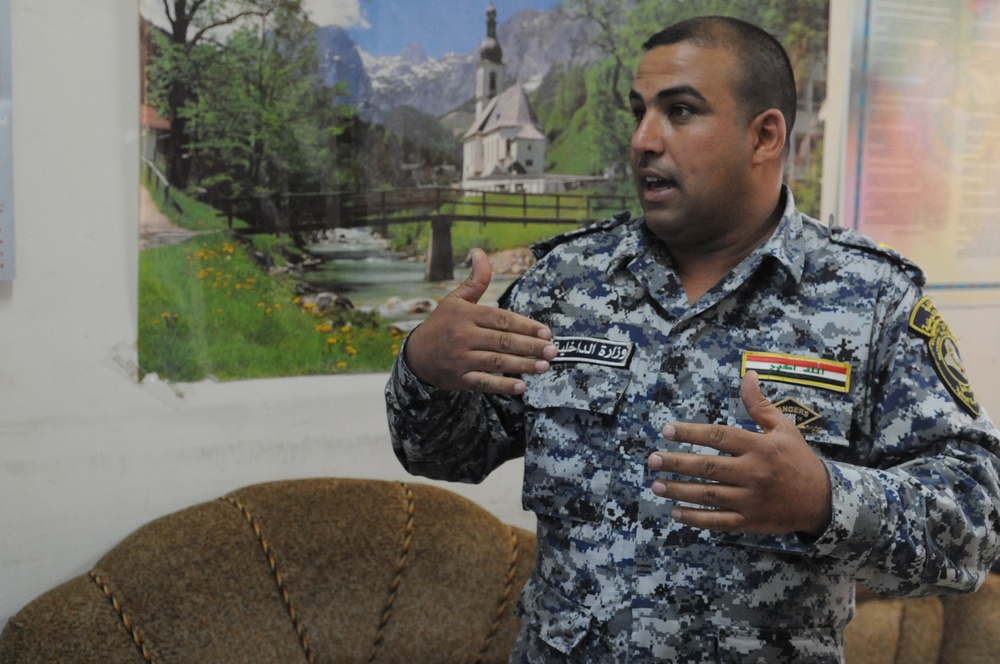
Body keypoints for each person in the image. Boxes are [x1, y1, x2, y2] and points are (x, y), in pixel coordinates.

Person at [384, 15, 1000, 663]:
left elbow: (977, 525)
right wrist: (424, 367)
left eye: (680, 111)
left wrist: (824, 498)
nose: (644, 139)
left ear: (764, 136)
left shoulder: (872, 298)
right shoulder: (563, 283)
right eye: (638, 112)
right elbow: (445, 454)